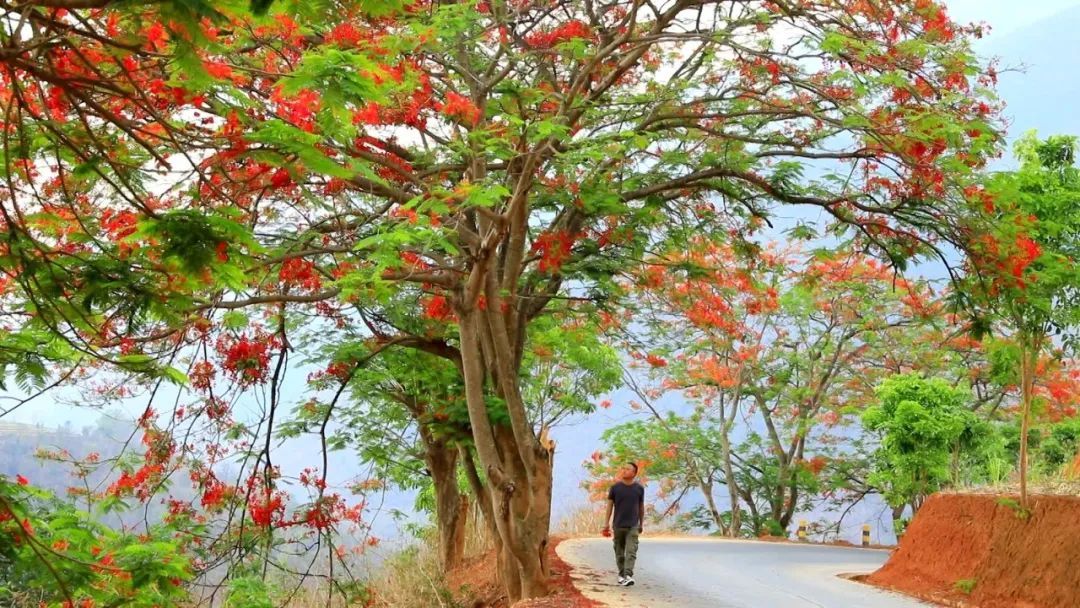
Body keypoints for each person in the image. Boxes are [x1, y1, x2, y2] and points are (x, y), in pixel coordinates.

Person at [602, 461, 645, 587]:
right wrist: (606, 524)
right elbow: (609, 506)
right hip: (618, 525)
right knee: (619, 552)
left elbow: (641, 507)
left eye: (627, 469)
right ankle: (621, 575)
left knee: (631, 551)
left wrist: (641, 523)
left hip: (633, 525)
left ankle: (628, 575)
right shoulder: (615, 488)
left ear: (634, 473)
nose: (624, 471)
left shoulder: (639, 489)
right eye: (623, 468)